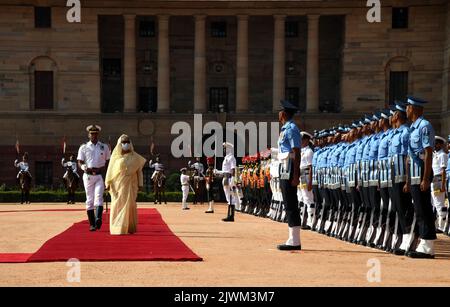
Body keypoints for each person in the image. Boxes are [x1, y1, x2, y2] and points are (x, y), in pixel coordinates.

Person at [404, 96, 437, 259]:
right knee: (419, 209)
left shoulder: (424, 126)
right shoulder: (413, 128)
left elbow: (428, 153)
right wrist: (409, 180)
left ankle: (428, 245)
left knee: (424, 209)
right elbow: (411, 156)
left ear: (415, 109)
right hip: (415, 174)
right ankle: (423, 243)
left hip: (422, 173)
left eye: (408, 107)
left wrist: (425, 178)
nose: (406, 110)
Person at [105, 135, 146, 235]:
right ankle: (117, 227)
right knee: (117, 205)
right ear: (120, 144)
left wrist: (140, 184)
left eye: (127, 142)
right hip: (117, 186)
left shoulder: (136, 157)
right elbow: (109, 171)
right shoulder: (115, 157)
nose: (126, 144)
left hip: (131, 185)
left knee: (130, 205)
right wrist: (108, 183)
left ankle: (128, 227)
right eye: (123, 142)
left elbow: (139, 172)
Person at [276, 100, 302, 251]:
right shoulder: (285, 128)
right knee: (288, 202)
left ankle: (295, 240)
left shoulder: (291, 128)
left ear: (284, 113)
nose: (278, 114)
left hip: (290, 168)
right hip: (285, 167)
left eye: (280, 112)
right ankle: (292, 238)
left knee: (291, 203)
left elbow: (297, 151)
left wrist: (296, 175)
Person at [77, 125, 111, 232]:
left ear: (98, 134)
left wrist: (108, 177)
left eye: (95, 134)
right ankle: (92, 224)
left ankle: (98, 218)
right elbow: (80, 161)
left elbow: (108, 161)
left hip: (99, 175)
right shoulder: (84, 147)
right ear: (89, 135)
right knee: (90, 200)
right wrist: (83, 167)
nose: (94, 136)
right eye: (92, 134)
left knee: (98, 197)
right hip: (88, 176)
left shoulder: (104, 147)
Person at [214, 142, 237, 222]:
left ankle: (231, 216)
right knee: (228, 197)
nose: (224, 150)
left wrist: (233, 179)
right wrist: (218, 171)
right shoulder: (226, 158)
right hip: (225, 178)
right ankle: (229, 215)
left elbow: (233, 169)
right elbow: (225, 171)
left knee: (231, 198)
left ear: (229, 149)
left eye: (225, 148)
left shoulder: (231, 158)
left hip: (229, 178)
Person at [431, 136, 448, 233]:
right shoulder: (435, 154)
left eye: (436, 143)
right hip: (433, 179)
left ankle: (443, 226)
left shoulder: (442, 155)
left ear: (440, 144)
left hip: (438, 180)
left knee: (439, 204)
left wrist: (442, 185)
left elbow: (443, 171)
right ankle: (438, 224)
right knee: (434, 203)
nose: (434, 145)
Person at [299, 131, 315, 229]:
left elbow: (310, 167)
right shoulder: (302, 150)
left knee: (308, 198)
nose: (300, 141)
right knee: (301, 198)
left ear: (307, 140)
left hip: (306, 175)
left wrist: (310, 182)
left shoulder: (309, 151)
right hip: (301, 174)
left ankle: (310, 221)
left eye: (302, 140)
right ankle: (302, 220)